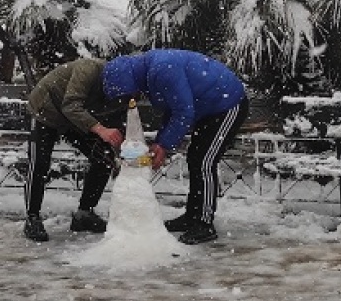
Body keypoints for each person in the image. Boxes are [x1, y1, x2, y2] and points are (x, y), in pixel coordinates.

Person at [101, 49, 248, 245]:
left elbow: (183, 111)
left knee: (204, 161)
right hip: (208, 109)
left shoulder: (161, 70)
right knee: (196, 159)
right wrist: (162, 142)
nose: (132, 97)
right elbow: (173, 109)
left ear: (130, 81)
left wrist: (163, 145)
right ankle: (192, 217)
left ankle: (204, 224)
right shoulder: (151, 75)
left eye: (128, 93)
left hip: (227, 105)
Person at [22, 57, 127, 242]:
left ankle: (84, 214)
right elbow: (70, 105)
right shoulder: (89, 69)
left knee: (104, 156)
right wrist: (101, 129)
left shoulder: (125, 88)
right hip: (46, 109)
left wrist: (119, 145)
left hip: (75, 118)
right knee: (39, 163)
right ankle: (32, 217)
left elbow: (117, 121)